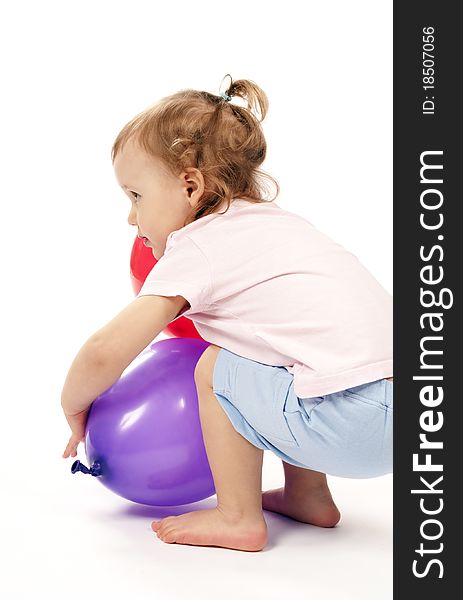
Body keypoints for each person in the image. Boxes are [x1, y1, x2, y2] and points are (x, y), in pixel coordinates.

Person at [60, 74, 393, 553]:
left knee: (218, 366)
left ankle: (238, 518)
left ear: (190, 187)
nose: (131, 218)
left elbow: (105, 350)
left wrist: (74, 405)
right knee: (282, 353)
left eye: (135, 196)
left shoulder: (199, 246)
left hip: (355, 419)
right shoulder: (275, 226)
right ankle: (309, 496)